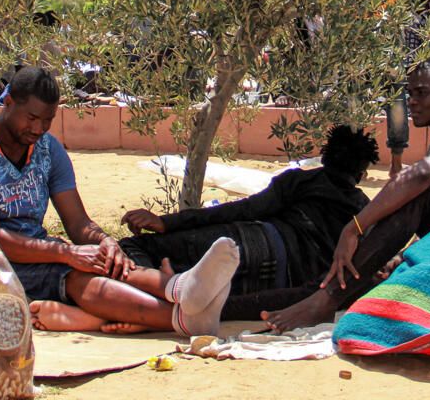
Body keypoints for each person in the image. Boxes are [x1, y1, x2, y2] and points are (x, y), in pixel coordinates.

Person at [0, 66, 242, 336]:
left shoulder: (47, 148)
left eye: (47, 121)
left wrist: (104, 242)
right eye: (31, 118)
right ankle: (179, 319)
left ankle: (181, 288)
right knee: (73, 274)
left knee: (105, 261)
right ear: (8, 103)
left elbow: (77, 222)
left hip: (39, 250)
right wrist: (66, 254)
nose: (38, 129)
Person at [261, 58, 430, 331]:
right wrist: (398, 256)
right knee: (348, 280)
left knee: (417, 191)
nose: (411, 101)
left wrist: (354, 227)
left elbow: (420, 179)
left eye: (422, 93)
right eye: (410, 93)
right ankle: (228, 304)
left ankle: (324, 301)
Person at [118, 125, 376, 311]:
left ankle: (154, 296)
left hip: (256, 242)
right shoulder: (367, 211)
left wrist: (168, 222)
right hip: (279, 285)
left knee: (133, 247)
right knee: (207, 292)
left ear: (325, 158)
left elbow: (243, 210)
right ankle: (166, 301)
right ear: (361, 175)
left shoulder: (300, 180)